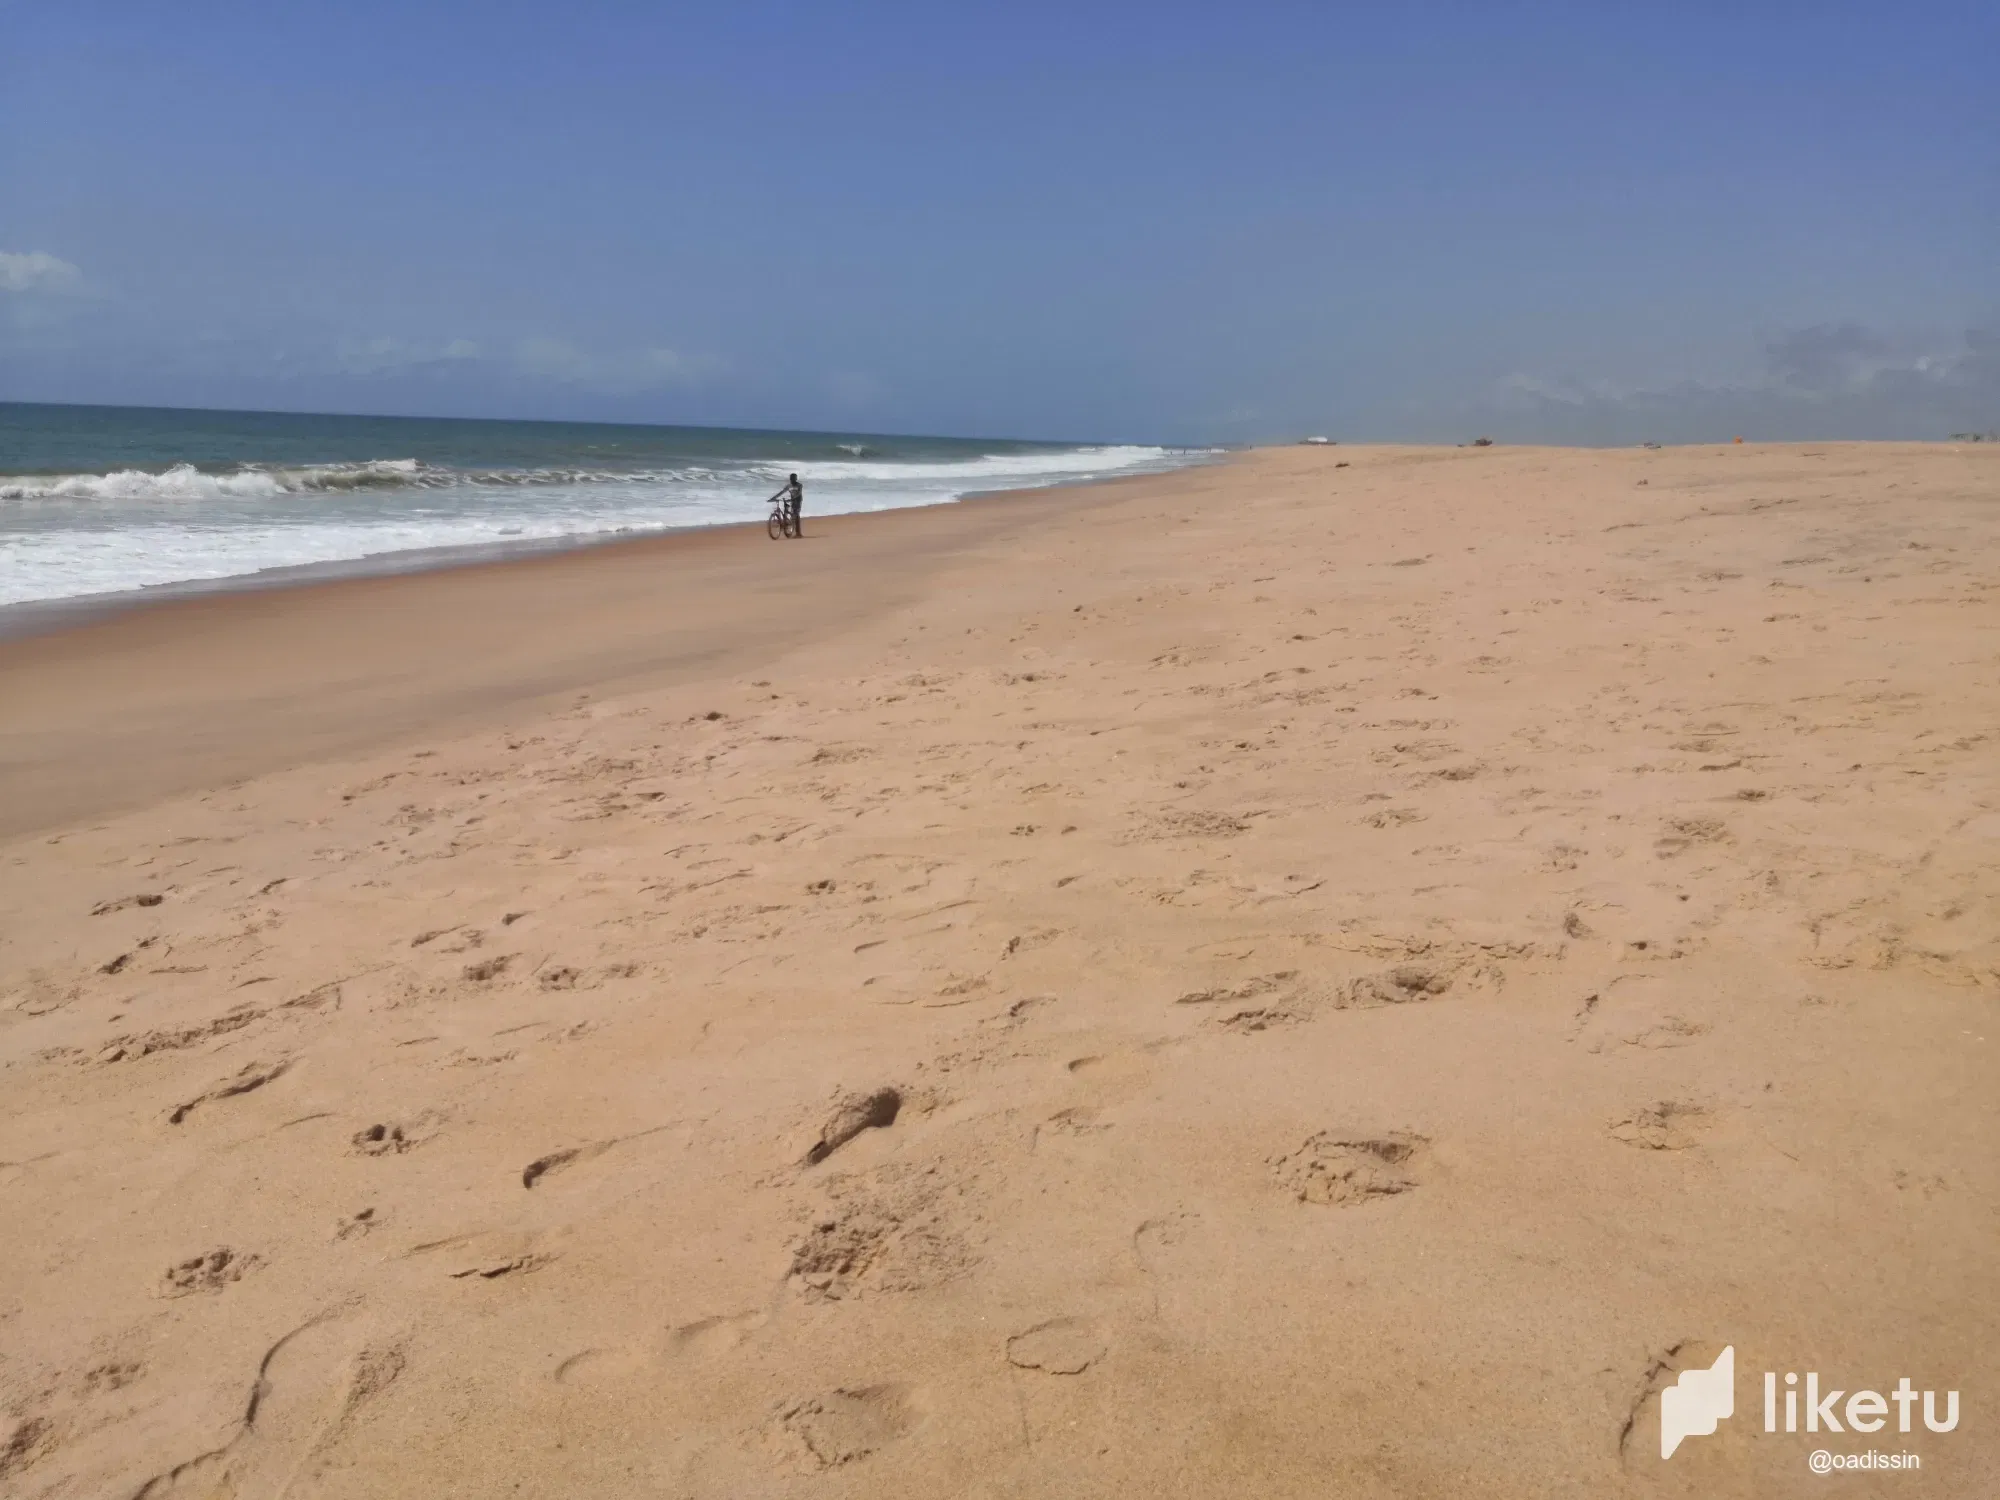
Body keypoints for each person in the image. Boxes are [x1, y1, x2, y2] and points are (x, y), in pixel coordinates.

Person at [769, 472, 804, 537]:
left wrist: (794, 499)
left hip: (798, 501)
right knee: (789, 512)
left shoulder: (799, 485)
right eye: (791, 478)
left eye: (793, 478)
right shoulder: (788, 486)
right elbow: (782, 492)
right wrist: (773, 498)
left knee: (796, 515)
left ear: (796, 479)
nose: (792, 480)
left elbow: (799, 493)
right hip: (792, 500)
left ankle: (798, 533)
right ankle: (787, 523)